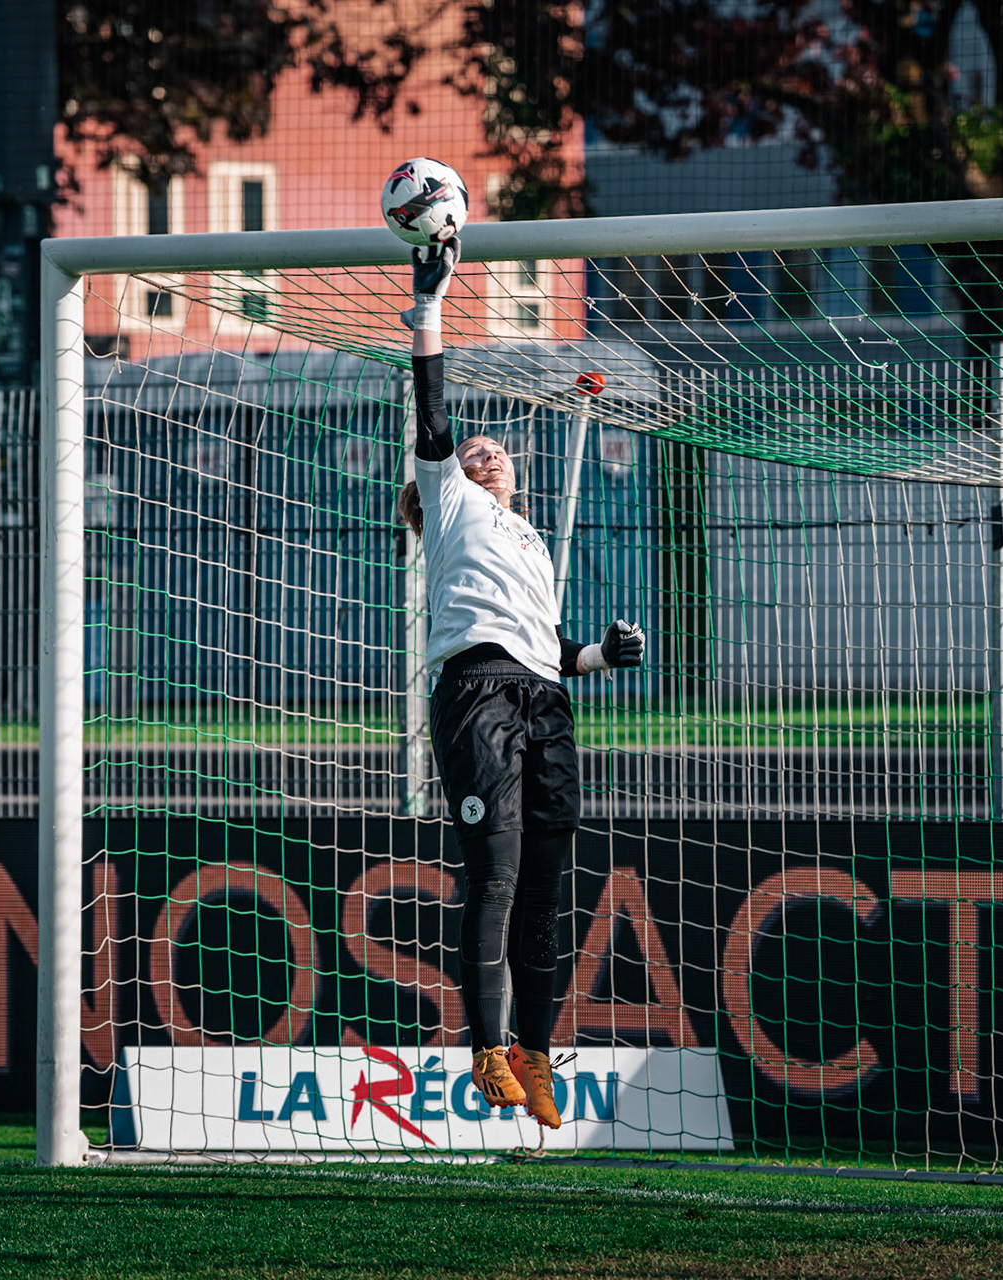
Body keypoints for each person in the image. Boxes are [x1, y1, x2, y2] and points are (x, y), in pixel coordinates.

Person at [395, 236, 646, 1129]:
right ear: (450, 479)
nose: (489, 455)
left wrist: (597, 658)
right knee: (494, 877)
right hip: (477, 695)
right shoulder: (451, 506)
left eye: (500, 453)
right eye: (476, 451)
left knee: (549, 884)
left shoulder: (530, 540)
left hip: (545, 697)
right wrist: (428, 310)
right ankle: (488, 1049)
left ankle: (538, 1053)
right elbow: (433, 413)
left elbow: (546, 640)